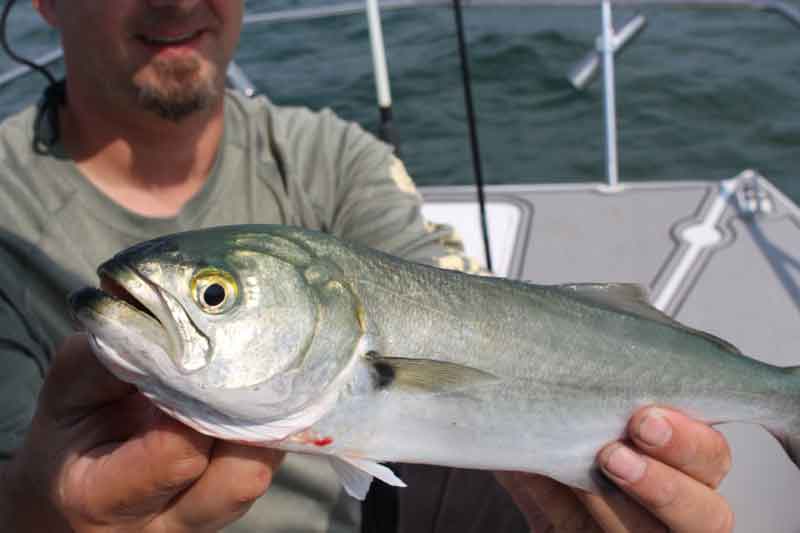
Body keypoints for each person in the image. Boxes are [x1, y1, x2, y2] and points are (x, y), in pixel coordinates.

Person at [0, 1, 734, 532]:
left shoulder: (331, 157)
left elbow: (463, 320)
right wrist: (32, 514)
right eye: (215, 293)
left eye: (215, 293)